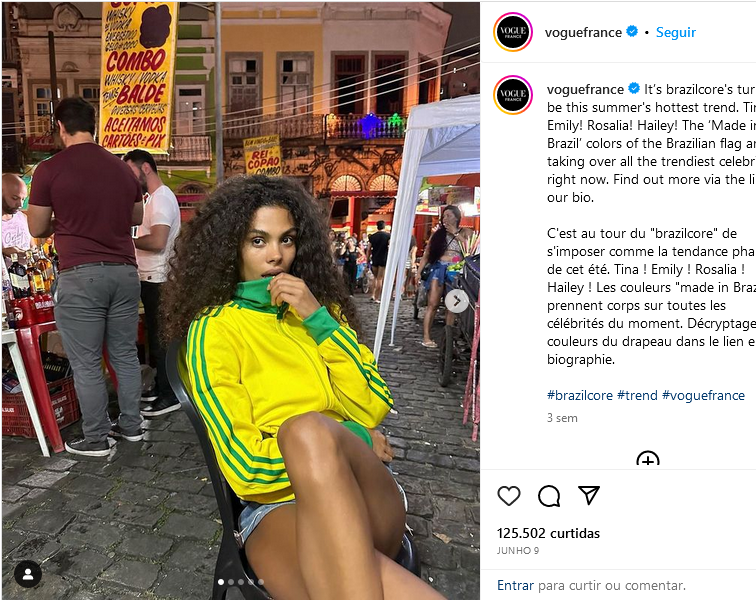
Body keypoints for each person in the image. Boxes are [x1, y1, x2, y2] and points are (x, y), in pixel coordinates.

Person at [162, 175, 444, 600]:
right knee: (307, 432)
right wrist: (351, 437)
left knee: (307, 430)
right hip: (277, 506)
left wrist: (318, 320)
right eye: (258, 240)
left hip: (367, 494)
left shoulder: (320, 313)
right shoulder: (215, 331)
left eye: (287, 240)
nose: (277, 255)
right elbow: (245, 469)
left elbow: (373, 406)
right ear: (230, 246)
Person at [26, 96, 144, 456]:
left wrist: (65, 219)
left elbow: (37, 227)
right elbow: (136, 217)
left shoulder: (49, 169)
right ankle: (132, 427)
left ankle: (96, 438)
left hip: (81, 275)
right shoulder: (122, 169)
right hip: (125, 273)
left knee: (87, 362)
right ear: (94, 126)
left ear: (61, 127)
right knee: (125, 355)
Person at [123, 149, 182, 418]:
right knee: (156, 339)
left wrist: (126, 241)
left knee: (162, 341)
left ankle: (171, 396)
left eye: (131, 171)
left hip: (160, 280)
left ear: (145, 168)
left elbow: (158, 242)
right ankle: (162, 388)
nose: (129, 178)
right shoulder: (152, 199)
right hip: (151, 279)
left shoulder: (162, 198)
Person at [416, 205, 471, 348]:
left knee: (451, 306)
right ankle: (426, 337)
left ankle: (448, 339)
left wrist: (455, 233)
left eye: (449, 216)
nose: (445, 219)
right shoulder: (438, 234)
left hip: (456, 271)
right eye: (444, 216)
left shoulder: (465, 232)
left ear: (457, 217)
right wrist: (419, 272)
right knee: (433, 304)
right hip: (438, 269)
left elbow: (470, 249)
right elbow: (427, 254)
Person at [2, 173, 34, 267]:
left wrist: (33, 251)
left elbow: (32, 246)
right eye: (15, 198)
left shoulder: (23, 218)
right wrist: (3, 252)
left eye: (23, 199)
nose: (20, 204)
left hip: (27, 274)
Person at [367, 220, 390, 303]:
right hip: (383, 258)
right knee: (380, 278)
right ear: (384, 226)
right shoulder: (388, 236)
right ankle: (377, 297)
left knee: (375, 277)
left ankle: (372, 295)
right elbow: (390, 247)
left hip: (375, 258)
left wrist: (367, 259)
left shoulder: (372, 236)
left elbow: (368, 249)